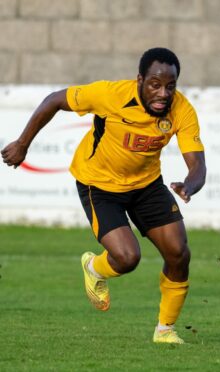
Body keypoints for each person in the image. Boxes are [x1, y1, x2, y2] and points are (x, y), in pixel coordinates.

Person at [1, 47, 206, 344]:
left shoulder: (182, 110)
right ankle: (93, 267)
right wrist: (22, 143)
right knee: (127, 258)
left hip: (146, 186)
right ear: (140, 80)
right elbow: (55, 100)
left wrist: (190, 184)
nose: (163, 93)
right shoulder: (110, 95)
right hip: (99, 185)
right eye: (155, 85)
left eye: (170, 86)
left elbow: (198, 164)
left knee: (178, 253)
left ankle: (165, 330)